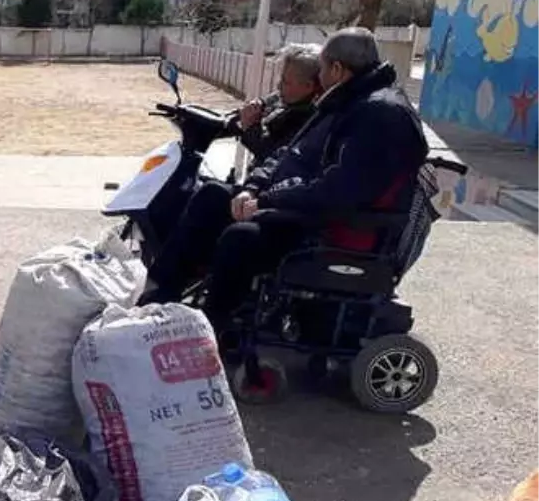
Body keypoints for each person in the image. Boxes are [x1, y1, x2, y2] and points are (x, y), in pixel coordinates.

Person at [145, 27, 430, 329]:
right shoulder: (347, 100)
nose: (319, 77)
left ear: (337, 68)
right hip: (297, 203)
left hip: (326, 225)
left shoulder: (379, 115)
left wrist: (266, 200)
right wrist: (253, 187)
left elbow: (339, 191)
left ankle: (214, 330)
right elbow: (289, 154)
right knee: (212, 195)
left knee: (240, 238)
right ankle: (159, 297)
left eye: (321, 68)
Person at [230, 44, 323, 164]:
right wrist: (257, 106)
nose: (279, 86)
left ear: (308, 86)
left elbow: (272, 156)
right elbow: (270, 99)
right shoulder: (291, 100)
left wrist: (250, 127)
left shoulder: (308, 120)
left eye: (286, 82)